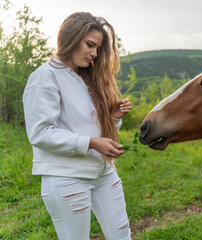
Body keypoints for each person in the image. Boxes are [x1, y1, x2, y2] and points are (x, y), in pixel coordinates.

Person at [23, 12, 132, 240]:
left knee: (122, 236)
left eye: (98, 48)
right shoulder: (45, 77)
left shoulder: (86, 79)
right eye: (90, 45)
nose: (94, 54)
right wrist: (92, 143)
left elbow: (86, 126)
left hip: (103, 173)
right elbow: (40, 133)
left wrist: (112, 117)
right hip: (67, 178)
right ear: (71, 38)